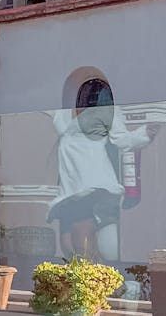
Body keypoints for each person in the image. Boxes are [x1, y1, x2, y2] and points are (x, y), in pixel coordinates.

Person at [47, 102, 157, 263]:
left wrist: (145, 134)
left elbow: (121, 140)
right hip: (69, 182)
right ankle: (95, 281)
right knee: (67, 243)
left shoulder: (107, 109)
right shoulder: (64, 105)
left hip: (90, 180)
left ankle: (102, 283)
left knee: (81, 238)